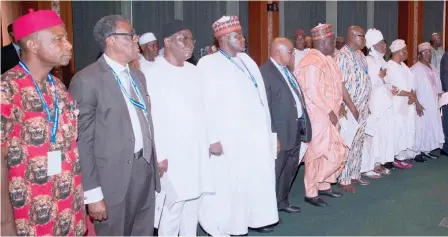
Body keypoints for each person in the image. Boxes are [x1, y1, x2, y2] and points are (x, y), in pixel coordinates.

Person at [69, 15, 160, 236]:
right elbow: (83, 141)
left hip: (144, 171)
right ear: (111, 40)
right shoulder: (87, 80)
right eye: (130, 35)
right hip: (112, 180)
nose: (136, 40)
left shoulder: (138, 76)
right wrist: (92, 193)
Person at [1, 9, 85, 236]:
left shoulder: (58, 87)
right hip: (29, 218)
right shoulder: (8, 89)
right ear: (33, 45)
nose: (68, 45)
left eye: (66, 38)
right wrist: (4, 223)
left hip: (69, 210)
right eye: (58, 39)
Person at [197, 15, 279, 235]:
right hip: (228, 139)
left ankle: (255, 218)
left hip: (254, 137)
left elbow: (260, 99)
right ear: (224, 39)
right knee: (229, 185)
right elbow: (205, 104)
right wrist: (212, 138)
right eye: (238, 36)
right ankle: (227, 226)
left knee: (255, 180)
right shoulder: (208, 64)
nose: (244, 39)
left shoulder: (247, 60)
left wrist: (269, 135)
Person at [142, 20, 213, 236]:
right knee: (171, 213)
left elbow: (204, 110)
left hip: (196, 153)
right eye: (183, 39)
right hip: (170, 159)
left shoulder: (194, 71)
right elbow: (150, 119)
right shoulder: (152, 73)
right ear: (167, 42)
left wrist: (208, 143)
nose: (189, 44)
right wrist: (158, 155)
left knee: (192, 209)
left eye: (191, 39)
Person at [295, 23, 347, 207]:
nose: (334, 44)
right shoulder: (311, 61)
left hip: (331, 114)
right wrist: (329, 111)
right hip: (317, 114)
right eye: (332, 41)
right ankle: (311, 192)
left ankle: (324, 185)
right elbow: (311, 91)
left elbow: (337, 86)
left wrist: (338, 107)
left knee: (333, 150)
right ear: (323, 41)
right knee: (315, 153)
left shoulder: (329, 59)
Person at [260, 38, 312, 213]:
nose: (293, 54)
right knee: (274, 173)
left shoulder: (286, 70)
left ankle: (282, 202)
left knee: (289, 169)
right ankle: (266, 211)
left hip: (294, 129)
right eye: (290, 51)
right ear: (277, 52)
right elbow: (265, 108)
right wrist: (272, 135)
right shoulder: (266, 73)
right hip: (279, 133)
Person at [335, 26, 371, 193]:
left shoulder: (361, 55)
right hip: (350, 107)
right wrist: (351, 106)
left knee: (358, 141)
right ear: (351, 36)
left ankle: (355, 172)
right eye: (361, 36)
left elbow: (365, 80)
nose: (364, 39)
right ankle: (344, 178)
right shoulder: (342, 56)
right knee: (348, 142)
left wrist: (366, 105)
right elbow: (340, 85)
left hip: (362, 105)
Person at [362, 28, 395, 178]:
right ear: (373, 45)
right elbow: (369, 83)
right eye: (381, 43)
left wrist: (388, 84)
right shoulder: (368, 60)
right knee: (372, 134)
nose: (384, 46)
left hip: (385, 102)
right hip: (374, 102)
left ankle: (378, 163)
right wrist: (381, 78)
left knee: (383, 132)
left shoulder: (383, 61)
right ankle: (369, 165)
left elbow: (387, 82)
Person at [387, 39, 419, 168]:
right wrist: (408, 94)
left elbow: (412, 84)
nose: (406, 53)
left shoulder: (404, 66)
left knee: (406, 129)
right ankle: (394, 157)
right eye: (404, 51)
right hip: (396, 104)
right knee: (397, 129)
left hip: (407, 104)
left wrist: (413, 95)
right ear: (398, 51)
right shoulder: (389, 65)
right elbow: (391, 88)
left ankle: (401, 156)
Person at [410, 42, 444, 159]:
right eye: (427, 52)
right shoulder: (415, 68)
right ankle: (417, 152)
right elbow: (412, 88)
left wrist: (440, 95)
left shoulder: (433, 67)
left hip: (433, 102)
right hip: (422, 103)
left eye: (430, 52)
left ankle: (426, 149)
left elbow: (438, 84)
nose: (429, 54)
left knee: (431, 125)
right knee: (421, 126)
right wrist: (417, 103)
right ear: (420, 54)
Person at [440, 51, 448, 156]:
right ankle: (446, 148)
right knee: (447, 122)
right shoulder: (446, 56)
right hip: (447, 95)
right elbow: (445, 76)